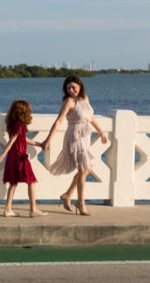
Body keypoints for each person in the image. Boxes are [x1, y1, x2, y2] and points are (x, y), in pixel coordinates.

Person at [40, 76, 108, 216]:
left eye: (73, 87)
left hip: (86, 135)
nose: (71, 90)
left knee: (87, 169)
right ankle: (81, 203)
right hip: (75, 136)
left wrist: (101, 131)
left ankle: (67, 194)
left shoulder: (85, 98)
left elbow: (91, 116)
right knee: (84, 169)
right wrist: (48, 139)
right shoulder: (69, 101)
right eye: (68, 88)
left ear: (80, 86)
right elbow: (59, 121)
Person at [0, 100, 48, 218]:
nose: (30, 112)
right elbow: (12, 140)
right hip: (19, 157)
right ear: (23, 112)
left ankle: (8, 209)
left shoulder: (14, 125)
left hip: (13, 157)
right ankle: (33, 208)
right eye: (29, 110)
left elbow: (22, 139)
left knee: (13, 183)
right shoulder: (19, 125)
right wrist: (2, 155)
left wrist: (39, 144)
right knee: (31, 181)